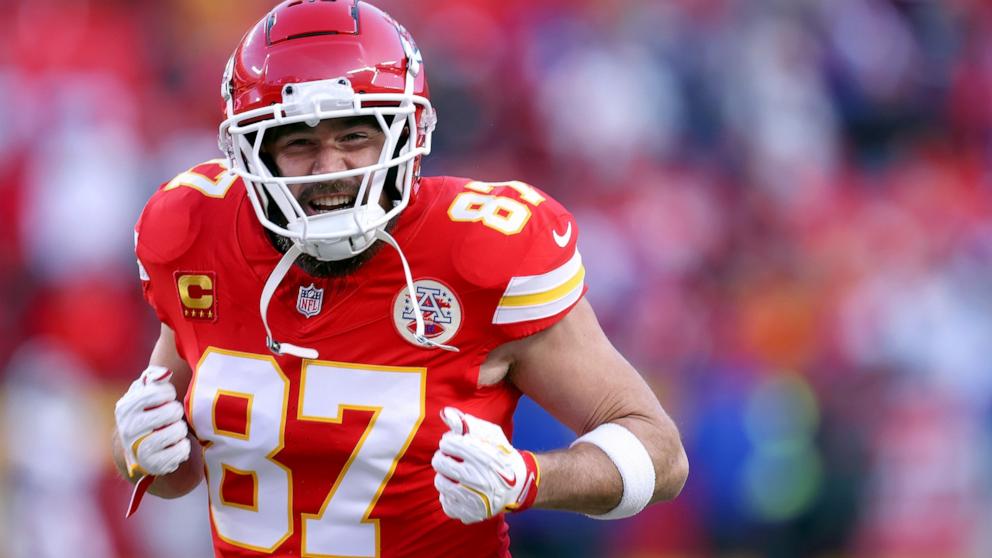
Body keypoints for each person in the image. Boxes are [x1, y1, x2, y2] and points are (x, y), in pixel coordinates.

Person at [112, 1, 688, 556]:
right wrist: (135, 448)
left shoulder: (479, 251)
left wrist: (528, 478)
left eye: (355, 137)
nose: (329, 168)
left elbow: (661, 456)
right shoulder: (194, 235)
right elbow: (173, 469)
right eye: (299, 143)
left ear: (407, 135)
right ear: (252, 153)